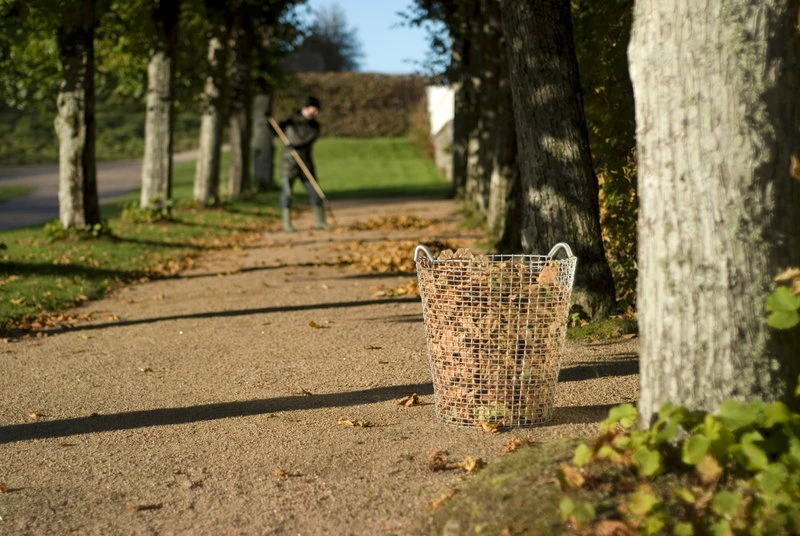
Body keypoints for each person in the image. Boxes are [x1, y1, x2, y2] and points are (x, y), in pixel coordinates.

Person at [276, 96, 330, 232]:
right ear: (306, 107)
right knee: (287, 193)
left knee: (314, 191)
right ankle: (287, 224)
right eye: (315, 109)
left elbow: (306, 141)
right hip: (289, 163)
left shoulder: (314, 126)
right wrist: (270, 121)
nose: (316, 112)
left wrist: (294, 145)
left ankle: (321, 222)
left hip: (305, 163)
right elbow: (276, 130)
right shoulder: (291, 120)